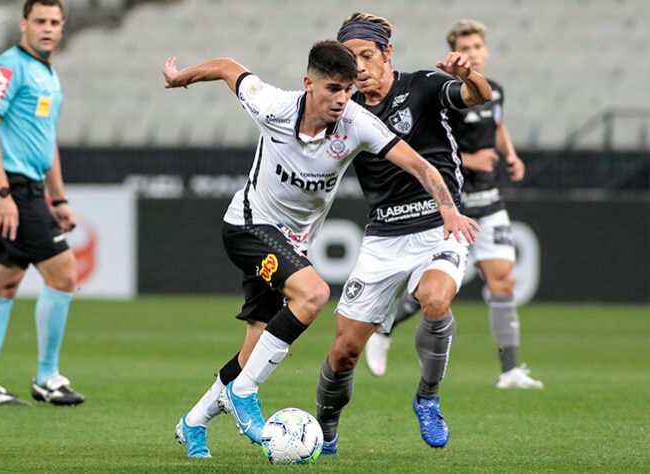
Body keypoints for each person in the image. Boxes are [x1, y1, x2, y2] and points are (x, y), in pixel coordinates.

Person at [163, 40, 479, 458]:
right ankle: (244, 393)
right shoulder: (271, 105)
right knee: (313, 293)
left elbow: (419, 164)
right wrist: (179, 77)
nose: (342, 99)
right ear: (308, 84)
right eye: (333, 89)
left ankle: (194, 422)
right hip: (247, 227)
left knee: (255, 345)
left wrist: (449, 211)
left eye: (349, 89)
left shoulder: (357, 123)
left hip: (291, 245)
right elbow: (226, 66)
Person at [315, 12, 492, 452]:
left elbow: (477, 97)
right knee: (342, 355)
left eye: (367, 55)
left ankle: (428, 399)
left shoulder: (425, 86)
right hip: (382, 239)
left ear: (387, 53)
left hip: (440, 225)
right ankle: (325, 428)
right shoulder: (345, 111)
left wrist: (471, 77)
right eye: (350, 58)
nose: (359, 66)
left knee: (434, 300)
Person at [363, 20, 544, 390]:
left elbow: (497, 121)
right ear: (457, 50)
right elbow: (429, 140)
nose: (474, 52)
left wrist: (509, 154)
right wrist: (470, 159)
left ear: (486, 50)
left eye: (478, 46)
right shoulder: (447, 92)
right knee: (433, 295)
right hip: (448, 205)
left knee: (502, 281)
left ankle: (509, 370)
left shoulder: (495, 90)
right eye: (467, 47)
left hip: (490, 202)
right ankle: (384, 328)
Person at [0, 0, 84, 407]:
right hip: (9, 187)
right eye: (40, 21)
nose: (48, 28)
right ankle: (48, 377)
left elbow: (46, 142)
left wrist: (59, 198)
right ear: (23, 24)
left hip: (29, 187)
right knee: (64, 273)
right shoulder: (8, 67)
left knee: (4, 281)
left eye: (55, 22)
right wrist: (2, 194)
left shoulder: (48, 74)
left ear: (62, 27)